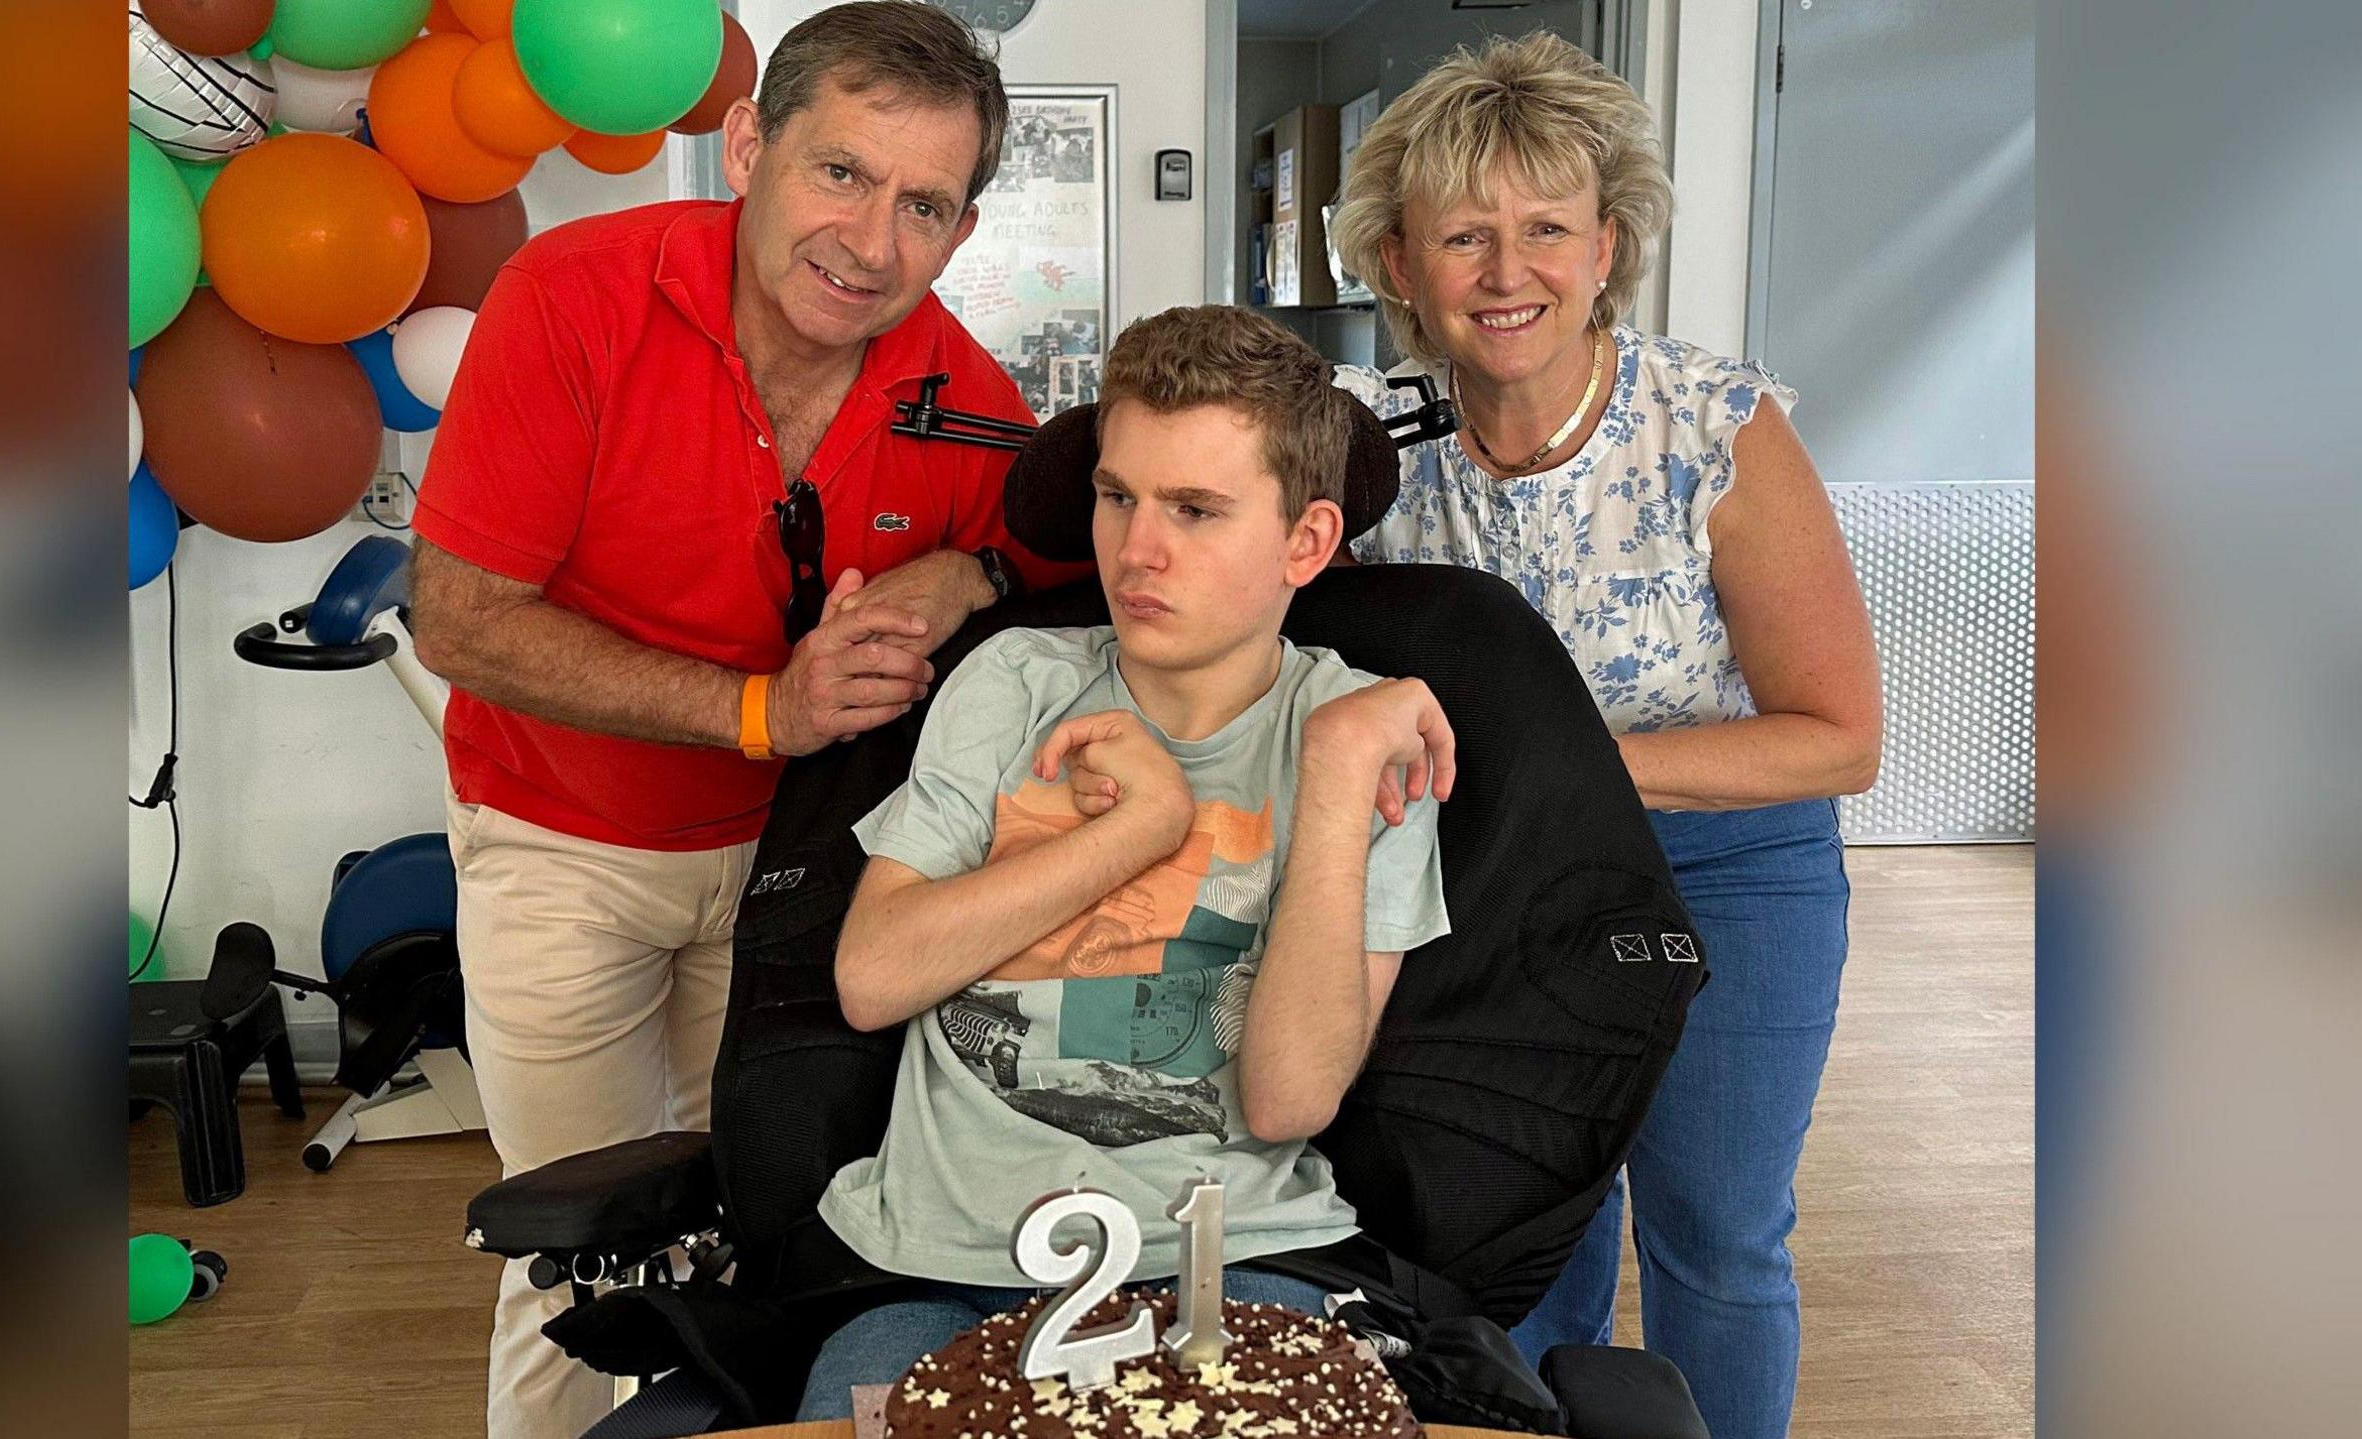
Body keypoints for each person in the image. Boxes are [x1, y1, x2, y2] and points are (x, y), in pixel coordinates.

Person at [404, 6, 1081, 1435]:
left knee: (765, 1227)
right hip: (559, 840)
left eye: (924, 205)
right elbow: (459, 618)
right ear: (748, 145)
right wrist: (762, 705)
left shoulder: (971, 399)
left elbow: (1069, 553)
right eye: (841, 173)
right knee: (572, 1251)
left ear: (960, 232)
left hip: (797, 873)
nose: (872, 239)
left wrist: (968, 565)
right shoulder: (568, 293)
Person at [1327, 33, 1883, 1439]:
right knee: (1519, 1230)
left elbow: (1838, 737)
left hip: (1729, 876)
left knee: (1718, 1234)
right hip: (1499, 883)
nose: (1507, 271)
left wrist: (1570, 770)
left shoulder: (1716, 428)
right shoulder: (1384, 467)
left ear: (1608, 244)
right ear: (1401, 264)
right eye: (1465, 235)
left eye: (1546, 230)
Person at [792, 305, 1457, 1419]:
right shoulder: (1016, 682)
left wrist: (1336, 782)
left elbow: (1291, 1093)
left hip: (1237, 1254)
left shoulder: (1360, 736)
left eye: (1195, 510)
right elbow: (872, 976)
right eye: (1116, 497)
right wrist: (1131, 832)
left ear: (1305, 541)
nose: (1135, 551)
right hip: (939, 1260)